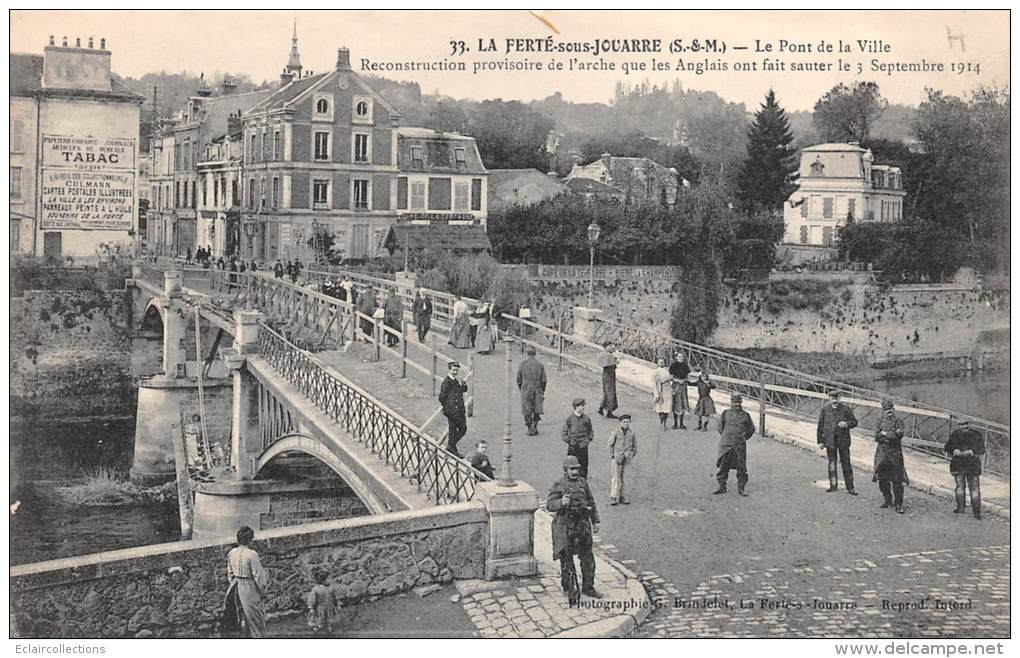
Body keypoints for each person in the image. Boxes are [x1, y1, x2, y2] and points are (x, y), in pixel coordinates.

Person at [547, 455, 602, 603]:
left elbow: (591, 501)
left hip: (582, 525)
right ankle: (570, 589)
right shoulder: (558, 484)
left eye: (576, 469)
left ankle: (588, 587)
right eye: (571, 469)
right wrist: (561, 502)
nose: (574, 472)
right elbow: (550, 505)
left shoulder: (583, 483)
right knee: (566, 559)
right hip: (565, 526)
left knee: (588, 558)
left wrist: (595, 521)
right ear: (565, 470)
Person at [222, 525, 268, 638]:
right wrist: (263, 592)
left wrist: (234, 584)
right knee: (255, 617)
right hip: (249, 587)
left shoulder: (232, 553)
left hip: (235, 587)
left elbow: (230, 573)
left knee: (240, 616)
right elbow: (258, 576)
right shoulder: (252, 554)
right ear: (249, 540)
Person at [816, 390, 859, 495]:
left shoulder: (846, 409)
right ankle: (833, 486)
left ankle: (850, 488)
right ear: (829, 398)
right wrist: (820, 441)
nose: (834, 400)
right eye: (832, 398)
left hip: (843, 441)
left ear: (839, 398)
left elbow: (855, 422)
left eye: (836, 398)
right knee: (832, 463)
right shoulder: (824, 410)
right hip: (830, 441)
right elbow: (820, 426)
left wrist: (847, 424)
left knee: (846, 464)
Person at [714, 395, 756, 496]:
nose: (736, 404)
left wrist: (742, 438)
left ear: (741, 403)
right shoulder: (725, 413)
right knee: (723, 466)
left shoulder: (745, 415)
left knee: (741, 467)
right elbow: (720, 427)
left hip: (739, 445)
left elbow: (751, 429)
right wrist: (727, 436)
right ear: (731, 402)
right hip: (726, 445)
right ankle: (722, 486)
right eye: (734, 402)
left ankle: (741, 488)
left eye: (738, 402)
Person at [944, 417, 985, 520]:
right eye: (962, 425)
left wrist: (971, 451)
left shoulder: (976, 434)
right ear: (959, 425)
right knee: (960, 487)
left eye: (966, 424)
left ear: (969, 424)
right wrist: (954, 451)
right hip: (959, 465)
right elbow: (947, 447)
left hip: (972, 465)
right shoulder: (955, 434)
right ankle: (960, 507)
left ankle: (976, 512)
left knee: (974, 489)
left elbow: (982, 449)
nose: (964, 427)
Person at [874, 398, 908, 514]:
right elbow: (876, 436)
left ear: (894, 409)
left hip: (895, 455)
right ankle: (887, 499)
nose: (889, 411)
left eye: (890, 409)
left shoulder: (899, 421)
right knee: (882, 480)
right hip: (882, 454)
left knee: (897, 481)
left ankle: (898, 504)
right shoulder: (879, 421)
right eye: (886, 410)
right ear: (883, 411)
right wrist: (887, 435)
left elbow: (898, 435)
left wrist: (885, 434)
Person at [439, 361, 468, 457]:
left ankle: (451, 446)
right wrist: (448, 408)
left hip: (459, 410)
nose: (455, 372)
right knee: (453, 430)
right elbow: (442, 397)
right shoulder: (446, 382)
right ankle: (452, 449)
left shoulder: (457, 380)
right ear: (449, 370)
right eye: (454, 370)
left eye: (457, 370)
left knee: (463, 428)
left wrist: (462, 383)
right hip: (451, 412)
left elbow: (464, 389)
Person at [516, 345, 547, 436]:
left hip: (526, 388)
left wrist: (521, 388)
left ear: (527, 353)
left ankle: (529, 428)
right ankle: (535, 426)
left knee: (527, 408)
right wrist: (542, 389)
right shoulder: (540, 365)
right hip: (537, 388)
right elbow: (544, 380)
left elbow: (518, 379)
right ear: (535, 354)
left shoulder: (523, 364)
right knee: (537, 407)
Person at [607, 414, 637, 505]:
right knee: (615, 477)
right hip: (616, 457)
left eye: (627, 422)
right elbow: (610, 444)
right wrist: (612, 455)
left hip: (626, 458)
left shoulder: (632, 433)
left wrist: (631, 455)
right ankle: (613, 496)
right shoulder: (616, 432)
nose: (626, 424)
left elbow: (634, 447)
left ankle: (622, 496)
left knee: (624, 478)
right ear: (620, 423)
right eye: (624, 422)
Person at [562, 398, 594, 478]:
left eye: (583, 405)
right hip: (573, 446)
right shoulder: (570, 419)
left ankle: (582, 482)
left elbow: (590, 432)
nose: (583, 407)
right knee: (570, 464)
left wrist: (586, 441)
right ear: (576, 407)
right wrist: (570, 441)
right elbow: (564, 432)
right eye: (581, 406)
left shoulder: (586, 418)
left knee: (583, 464)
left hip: (583, 446)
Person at [305, 570, 340, 638]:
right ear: (323, 580)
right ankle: (317, 630)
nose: (330, 580)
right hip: (320, 608)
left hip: (330, 607)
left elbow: (335, 597)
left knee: (330, 620)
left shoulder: (331, 588)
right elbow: (312, 598)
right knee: (320, 620)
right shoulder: (316, 589)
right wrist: (311, 608)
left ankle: (330, 631)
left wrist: (337, 604)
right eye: (328, 578)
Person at [669, 352, 691, 429]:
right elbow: (671, 377)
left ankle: (681, 424)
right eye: (679, 356)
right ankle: (675, 424)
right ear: (676, 357)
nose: (680, 358)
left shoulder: (685, 366)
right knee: (675, 404)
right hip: (676, 386)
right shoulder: (673, 366)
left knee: (682, 404)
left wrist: (684, 380)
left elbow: (687, 377)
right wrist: (678, 380)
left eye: (682, 357)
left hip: (683, 386)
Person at [596, 342, 619, 419]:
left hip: (606, 375)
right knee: (610, 393)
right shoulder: (608, 355)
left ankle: (601, 408)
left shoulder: (604, 354)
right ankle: (609, 412)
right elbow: (608, 365)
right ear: (606, 347)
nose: (612, 347)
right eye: (610, 346)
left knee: (606, 392)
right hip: (609, 375)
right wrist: (615, 360)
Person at [652, 358, 673, 430]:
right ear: (657, 363)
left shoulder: (667, 370)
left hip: (668, 390)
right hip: (660, 389)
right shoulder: (656, 372)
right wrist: (656, 393)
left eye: (662, 362)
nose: (661, 363)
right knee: (660, 407)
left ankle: (664, 422)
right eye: (660, 362)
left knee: (667, 407)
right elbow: (654, 383)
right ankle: (661, 421)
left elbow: (671, 378)